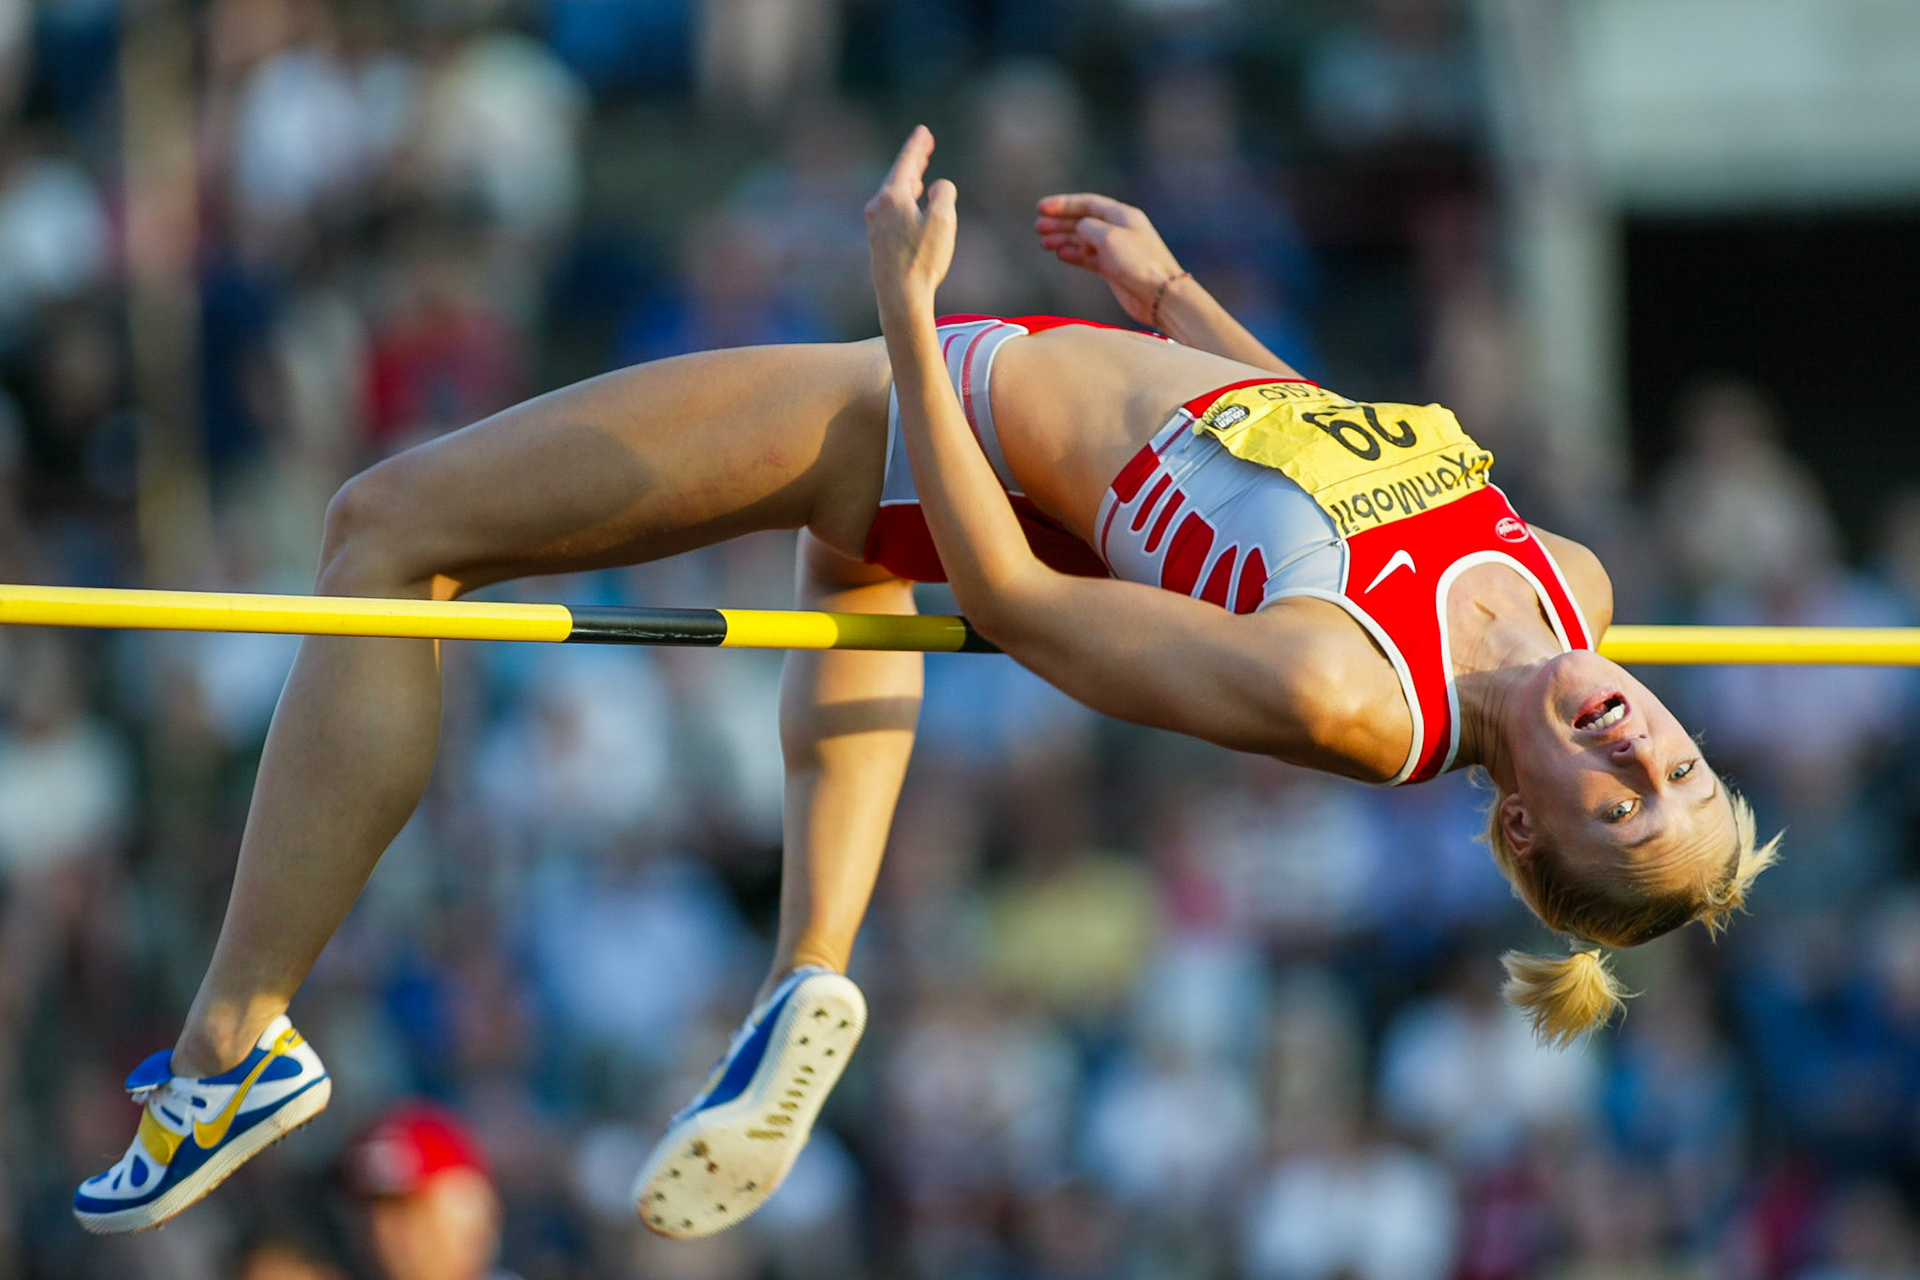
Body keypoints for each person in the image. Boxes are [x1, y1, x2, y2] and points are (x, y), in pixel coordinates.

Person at [73, 128, 1778, 1240]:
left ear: (1523, 831)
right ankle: (804, 970)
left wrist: (904, 317)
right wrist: (1174, 295)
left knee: (388, 535)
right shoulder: (1576, 581)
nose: (1642, 759)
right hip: (1021, 418)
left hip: (944, 414)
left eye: (1618, 815)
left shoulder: (1357, 692)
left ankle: (235, 1039)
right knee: (848, 585)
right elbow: (1343, 457)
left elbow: (1028, 608)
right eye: (1680, 777)